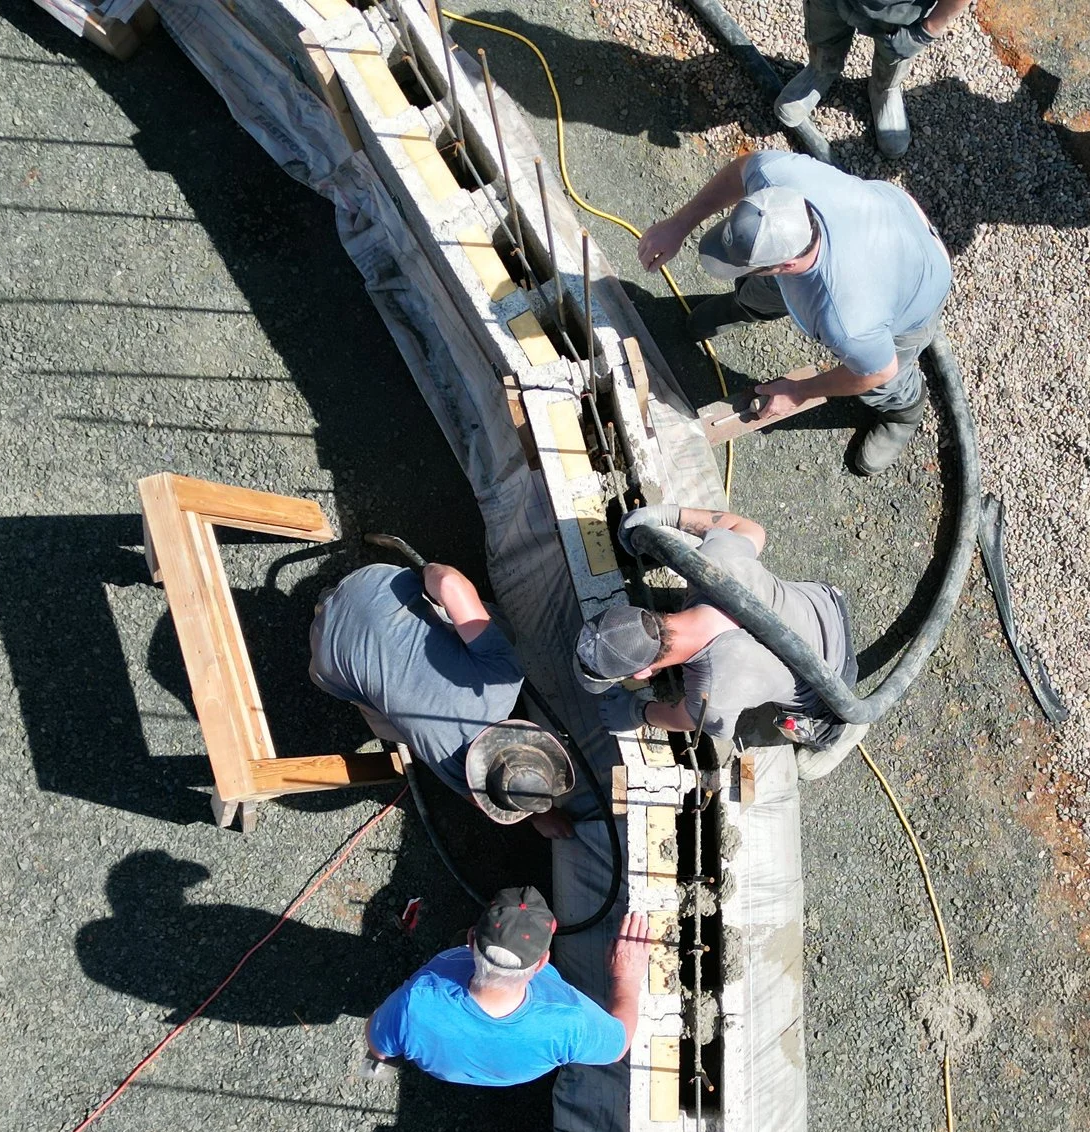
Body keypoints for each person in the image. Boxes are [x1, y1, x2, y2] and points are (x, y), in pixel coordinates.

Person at [635, 151, 952, 475]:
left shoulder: (846, 321)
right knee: (760, 290)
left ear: (786, 266)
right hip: (888, 210)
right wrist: (679, 224)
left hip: (920, 283)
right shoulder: (775, 174)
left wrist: (799, 392)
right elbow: (741, 170)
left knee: (887, 380)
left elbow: (878, 372)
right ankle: (743, 306)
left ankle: (904, 411)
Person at [308, 561, 584, 838]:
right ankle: (325, 612)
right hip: (327, 657)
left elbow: (449, 583)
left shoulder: (504, 677)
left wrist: (429, 573)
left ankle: (330, 601)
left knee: (497, 630)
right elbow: (475, 797)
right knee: (390, 725)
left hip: (372, 585)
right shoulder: (452, 764)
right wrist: (541, 817)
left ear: (534, 738)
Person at [574, 504, 855, 748]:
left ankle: (849, 735)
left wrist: (638, 712)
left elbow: (688, 719)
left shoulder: (713, 693)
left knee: (813, 753)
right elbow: (751, 530)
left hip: (836, 685)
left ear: (643, 673)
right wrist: (668, 515)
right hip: (825, 601)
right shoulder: (714, 562)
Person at [364, 886, 651, 1088]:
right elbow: (618, 1045)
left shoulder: (417, 1002)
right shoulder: (568, 1021)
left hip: (447, 1069)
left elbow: (378, 1047)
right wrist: (625, 978)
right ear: (542, 962)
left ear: (471, 941)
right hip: (513, 1075)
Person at [771, 0, 974, 155]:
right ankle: (821, 70)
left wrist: (927, 30)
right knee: (824, 32)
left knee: (893, 54)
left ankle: (883, 89)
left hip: (901, 12)